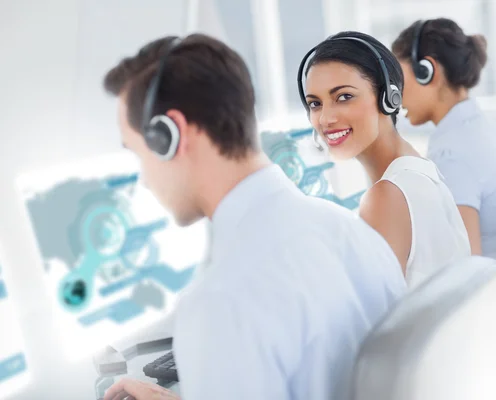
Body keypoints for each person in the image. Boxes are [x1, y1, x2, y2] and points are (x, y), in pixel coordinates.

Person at [102, 34, 406, 400]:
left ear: (170, 136)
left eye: (138, 154)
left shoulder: (220, 302)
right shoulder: (352, 232)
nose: (145, 181)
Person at [391, 18, 496, 342]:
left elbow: (465, 272)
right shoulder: (483, 130)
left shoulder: (454, 151)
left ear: (429, 71)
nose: (395, 95)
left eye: (398, 78)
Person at [298, 31, 471, 288]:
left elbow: (369, 321)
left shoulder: (388, 196)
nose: (325, 119)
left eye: (344, 97)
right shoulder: (420, 170)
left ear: (389, 98)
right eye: (315, 104)